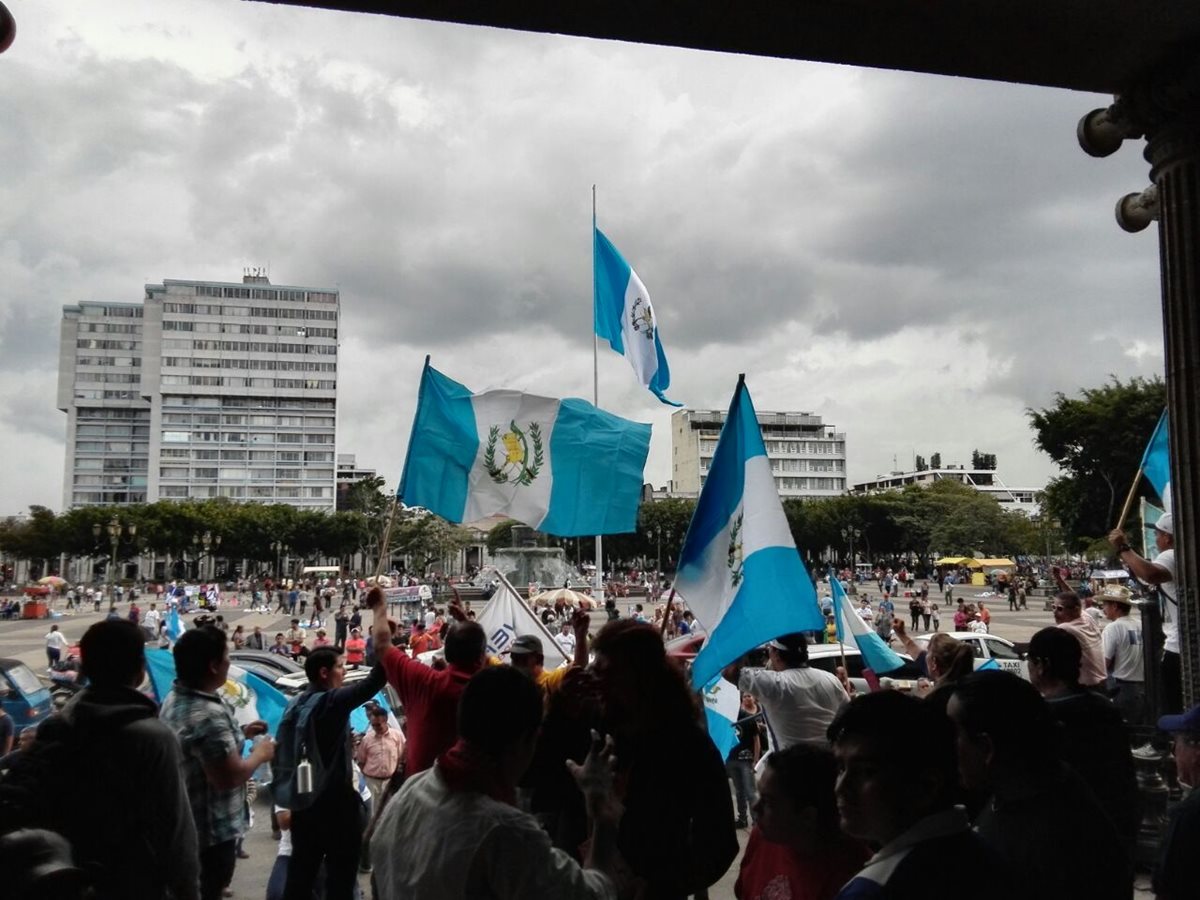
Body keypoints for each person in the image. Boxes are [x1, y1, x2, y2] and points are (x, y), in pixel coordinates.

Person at [370, 666, 621, 899]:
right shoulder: (506, 833)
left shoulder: (410, 792)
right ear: (527, 741)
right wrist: (603, 815)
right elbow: (593, 894)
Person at [20, 619, 201, 899]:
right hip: (127, 880)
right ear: (140, 667)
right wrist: (188, 892)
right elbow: (177, 834)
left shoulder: (59, 723)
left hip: (64, 875)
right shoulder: (152, 737)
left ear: (86, 666)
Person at [947, 671, 1131, 900]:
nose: (948, 747)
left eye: (954, 735)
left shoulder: (1041, 842)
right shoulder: (1044, 788)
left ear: (987, 748)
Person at [591, 620, 738, 899]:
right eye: (595, 671)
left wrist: (664, 885)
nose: (596, 682)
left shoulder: (689, 746)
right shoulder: (597, 730)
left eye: (607, 674)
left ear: (638, 675)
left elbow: (720, 842)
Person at [828, 691, 1011, 899]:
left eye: (867, 772)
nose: (841, 787)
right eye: (841, 768)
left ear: (927, 786)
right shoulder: (984, 854)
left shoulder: (874, 889)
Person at [160, 625, 274, 900]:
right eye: (226, 657)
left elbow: (203, 750)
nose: (229, 663)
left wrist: (241, 735)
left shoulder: (177, 698)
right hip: (211, 835)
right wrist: (262, 753)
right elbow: (228, 778)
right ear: (213, 666)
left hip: (188, 828)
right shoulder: (208, 714)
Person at [279, 646, 386, 900]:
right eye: (340, 666)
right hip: (337, 809)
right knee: (341, 882)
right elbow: (375, 681)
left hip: (304, 805)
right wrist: (384, 645)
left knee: (301, 876)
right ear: (324, 672)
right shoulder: (332, 702)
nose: (344, 672)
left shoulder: (295, 704)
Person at [1024, 627, 1138, 848]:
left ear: (1041, 666)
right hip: (1111, 831)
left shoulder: (1040, 717)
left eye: (1030, 661)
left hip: (1063, 838)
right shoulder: (1105, 708)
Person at [367, 587, 487, 774]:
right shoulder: (496, 693)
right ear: (480, 655)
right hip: (480, 796)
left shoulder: (424, 683)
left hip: (422, 795)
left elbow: (382, 645)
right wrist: (465, 622)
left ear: (446, 652)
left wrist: (379, 606)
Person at [735, 744, 868, 900]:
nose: (755, 807)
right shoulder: (763, 837)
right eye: (760, 796)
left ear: (807, 817)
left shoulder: (853, 880)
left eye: (769, 802)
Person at [725, 633, 849, 749]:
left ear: (777, 655)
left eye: (770, 650)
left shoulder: (775, 684)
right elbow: (848, 711)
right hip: (830, 764)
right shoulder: (831, 679)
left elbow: (729, 672)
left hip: (788, 767)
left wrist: (740, 639)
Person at [1109, 513, 1180, 713]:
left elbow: (1151, 574)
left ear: (1167, 537)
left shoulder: (1172, 555)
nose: (1156, 539)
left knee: (1173, 707)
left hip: (1180, 648)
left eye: (1158, 534)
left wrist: (1123, 547)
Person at [1152, 703, 1200, 899]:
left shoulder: (1190, 813)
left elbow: (1168, 883)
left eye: (1177, 744)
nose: (1174, 754)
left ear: (1196, 751)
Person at [509, 610, 590, 697]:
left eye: (521, 660)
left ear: (539, 659)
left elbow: (579, 665)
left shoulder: (549, 682)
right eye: (513, 659)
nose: (515, 665)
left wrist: (580, 635)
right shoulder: (511, 681)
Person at [1096, 586, 1145, 724]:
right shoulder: (1140, 624)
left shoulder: (1113, 628)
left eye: (1105, 604)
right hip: (1143, 687)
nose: (1103, 609)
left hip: (1122, 687)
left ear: (1115, 606)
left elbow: (1105, 662)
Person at [1049, 590, 1106, 687]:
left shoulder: (1066, 629)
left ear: (1075, 610)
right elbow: (1074, 598)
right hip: (1102, 681)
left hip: (1088, 686)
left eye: (1060, 609)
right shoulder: (1087, 618)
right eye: (1053, 607)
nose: (1055, 612)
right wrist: (1059, 579)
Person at [356, 705, 405, 816]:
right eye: (373, 725)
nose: (375, 728)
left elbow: (401, 756)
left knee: (391, 813)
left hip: (390, 782)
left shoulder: (397, 736)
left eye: (378, 725)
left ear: (386, 720)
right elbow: (361, 761)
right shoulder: (367, 739)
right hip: (372, 783)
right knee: (372, 815)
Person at [727, 692, 764, 829]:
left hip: (745, 759)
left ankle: (756, 821)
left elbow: (756, 740)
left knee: (750, 791)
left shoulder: (748, 718)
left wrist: (755, 759)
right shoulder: (726, 719)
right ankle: (742, 818)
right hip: (732, 758)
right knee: (739, 791)